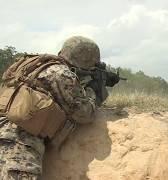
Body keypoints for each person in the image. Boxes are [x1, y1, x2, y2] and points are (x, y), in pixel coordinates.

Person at [0, 36, 108, 179]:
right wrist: (93, 92)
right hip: (17, 146)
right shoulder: (62, 74)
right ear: (86, 60)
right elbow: (83, 114)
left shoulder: (35, 65)